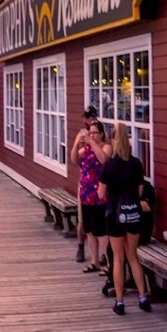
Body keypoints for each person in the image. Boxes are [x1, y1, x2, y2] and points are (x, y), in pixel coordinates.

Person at [98, 125, 150, 314]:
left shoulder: (109, 165)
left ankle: (120, 302)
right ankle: (143, 298)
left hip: (115, 215)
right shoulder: (136, 164)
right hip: (133, 214)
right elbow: (140, 191)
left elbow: (101, 192)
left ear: (113, 140)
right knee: (133, 257)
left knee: (118, 259)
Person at [76, 114, 111, 273]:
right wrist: (76, 143)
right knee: (89, 231)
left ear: (102, 134)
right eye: (90, 133)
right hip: (85, 194)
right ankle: (95, 261)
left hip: (99, 195)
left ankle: (109, 264)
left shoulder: (105, 147)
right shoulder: (86, 148)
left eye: (95, 133)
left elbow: (104, 160)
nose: (92, 135)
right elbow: (73, 159)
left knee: (101, 231)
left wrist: (92, 143)